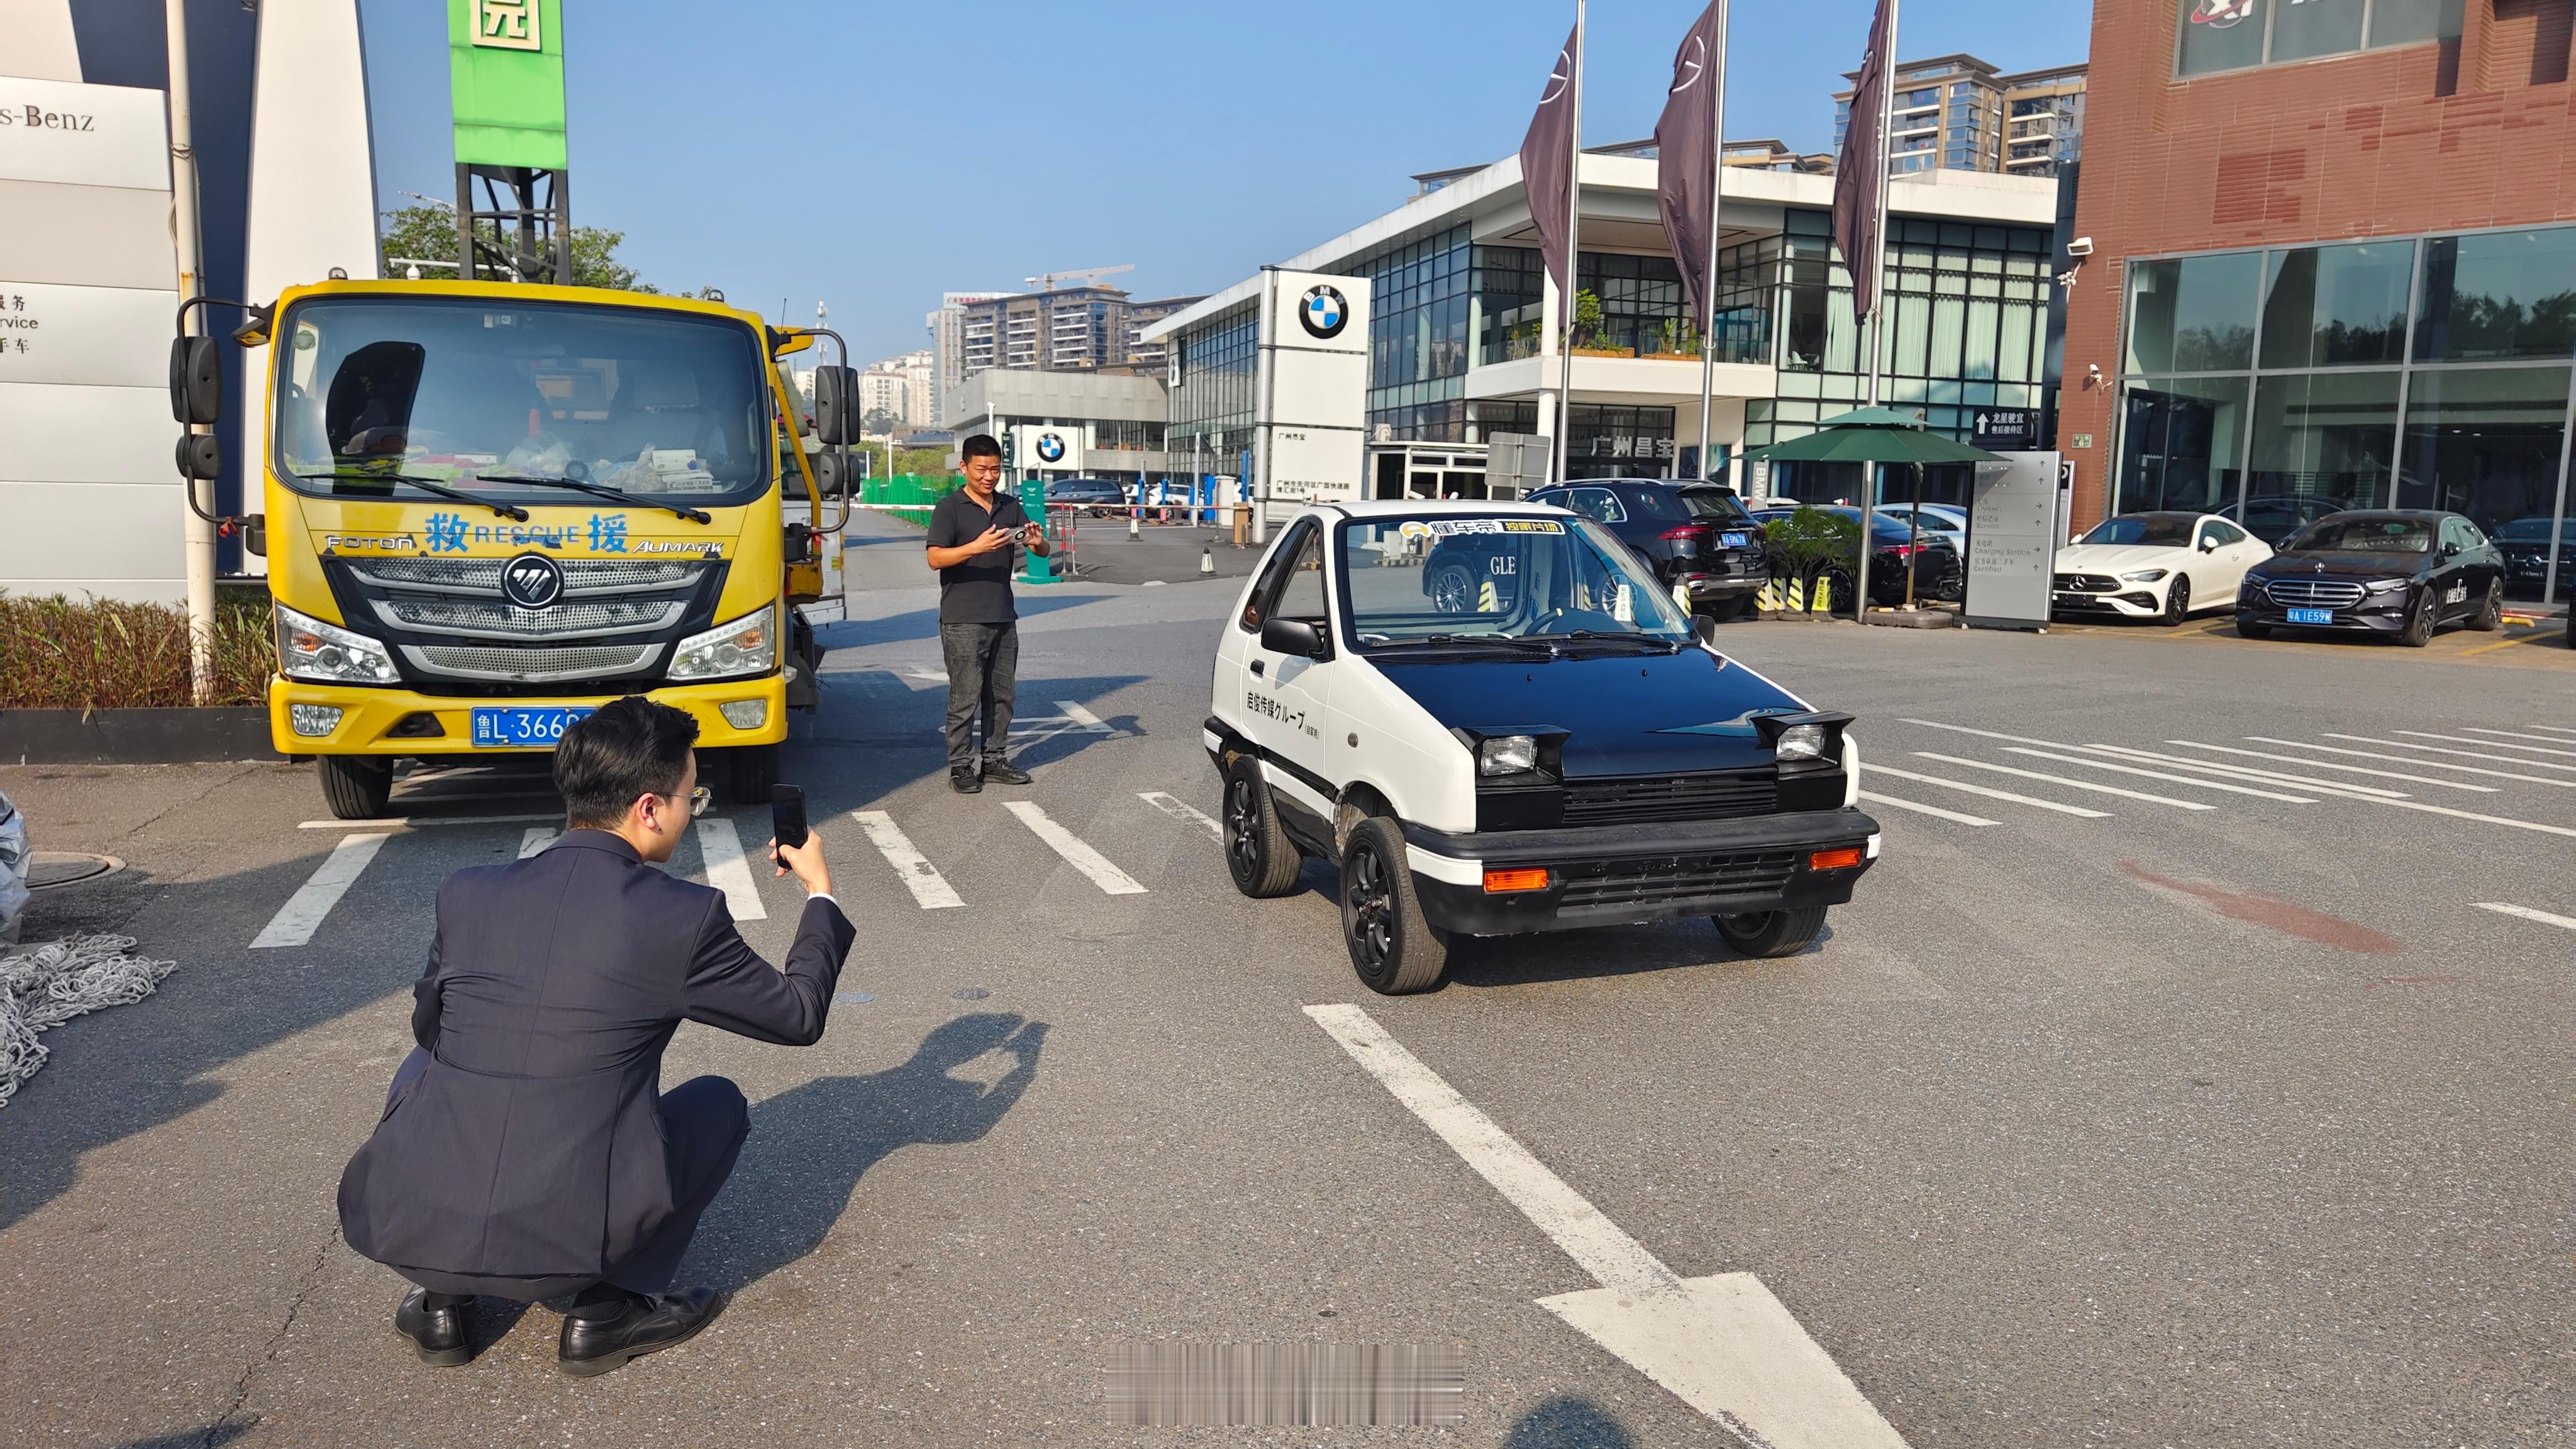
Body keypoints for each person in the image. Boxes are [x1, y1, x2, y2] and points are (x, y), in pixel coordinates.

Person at [336, 697, 855, 1377]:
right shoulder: (681, 915)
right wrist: (820, 893)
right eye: (689, 797)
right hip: (570, 1233)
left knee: (429, 1059)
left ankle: (443, 1304)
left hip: (412, 1220)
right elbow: (797, 1015)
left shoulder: (469, 891)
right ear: (648, 808)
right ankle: (605, 1312)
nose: (688, 811)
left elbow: (428, 1025)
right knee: (719, 1103)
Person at [924, 433, 1050, 794]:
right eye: (981, 469)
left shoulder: (1010, 506)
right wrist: (974, 547)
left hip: (1003, 615)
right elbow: (935, 558)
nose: (989, 476)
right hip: (962, 618)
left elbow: (1040, 549)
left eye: (995, 469)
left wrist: (1037, 540)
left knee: (1001, 696)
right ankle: (961, 766)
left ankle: (994, 760)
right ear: (964, 467)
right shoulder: (950, 508)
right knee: (964, 697)